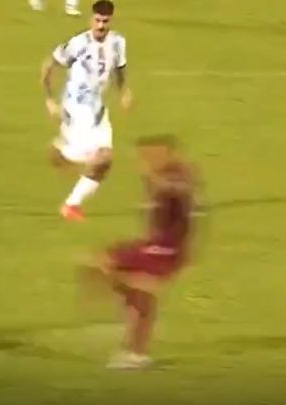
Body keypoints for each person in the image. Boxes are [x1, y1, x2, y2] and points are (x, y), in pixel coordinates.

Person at [81, 135, 196, 369]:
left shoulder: (176, 176)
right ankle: (135, 327)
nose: (145, 159)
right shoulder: (160, 177)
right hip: (155, 245)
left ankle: (137, 349)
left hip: (166, 249)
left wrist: (155, 178)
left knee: (117, 273)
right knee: (103, 265)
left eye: (151, 154)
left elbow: (177, 193)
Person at [40, 0, 132, 221]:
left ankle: (71, 203)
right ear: (91, 18)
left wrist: (123, 91)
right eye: (97, 20)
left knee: (104, 162)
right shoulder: (78, 43)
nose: (100, 25)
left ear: (111, 20)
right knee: (100, 158)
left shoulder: (118, 42)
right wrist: (49, 99)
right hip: (78, 108)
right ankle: (63, 155)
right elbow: (48, 66)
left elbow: (119, 69)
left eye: (105, 21)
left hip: (98, 108)